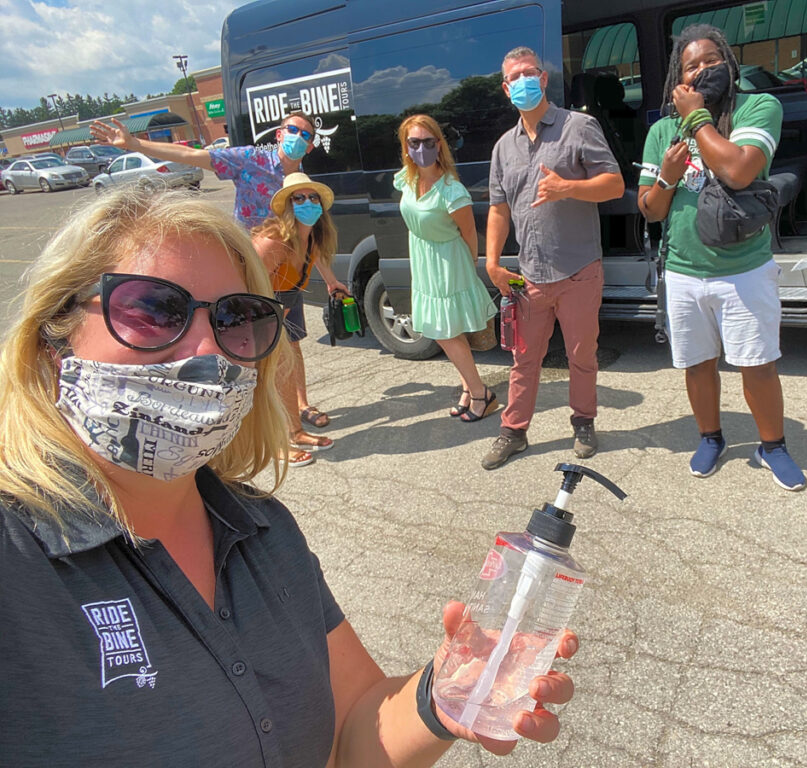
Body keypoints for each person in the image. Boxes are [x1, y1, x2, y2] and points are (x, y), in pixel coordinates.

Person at [0, 186, 577, 766]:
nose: (208, 349)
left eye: (236, 318)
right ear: (54, 338)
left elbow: (355, 725)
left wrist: (443, 696)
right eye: (154, 310)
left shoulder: (264, 531)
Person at [637, 24, 807, 491]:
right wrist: (668, 176)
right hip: (685, 271)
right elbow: (650, 209)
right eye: (692, 65)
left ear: (729, 64)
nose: (704, 69)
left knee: (757, 363)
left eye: (713, 60)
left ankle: (772, 445)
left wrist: (696, 119)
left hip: (743, 268)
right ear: (679, 77)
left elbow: (737, 170)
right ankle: (710, 437)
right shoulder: (660, 132)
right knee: (697, 364)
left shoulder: (758, 106)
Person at [482, 46, 625, 470]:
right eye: (515, 77)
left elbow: (615, 184)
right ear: (506, 89)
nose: (523, 81)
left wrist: (569, 188)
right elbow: (497, 208)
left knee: (582, 354)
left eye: (530, 73)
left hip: (579, 270)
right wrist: (492, 261)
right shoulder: (503, 148)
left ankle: (583, 422)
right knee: (524, 360)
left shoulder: (578, 127)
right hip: (531, 277)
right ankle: (514, 431)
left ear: (543, 79)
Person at [394, 114, 499, 422]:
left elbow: (468, 233)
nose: (421, 148)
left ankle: (482, 394)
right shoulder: (407, 177)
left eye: (428, 142)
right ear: (406, 146)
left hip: (448, 262)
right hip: (424, 258)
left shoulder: (452, 190)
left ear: (439, 145)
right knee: (446, 331)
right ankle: (469, 388)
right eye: (414, 142)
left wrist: (469, 266)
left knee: (446, 332)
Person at [252, 172, 346, 465]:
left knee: (288, 369)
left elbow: (315, 259)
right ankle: (278, 442)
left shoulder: (311, 237)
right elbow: (249, 283)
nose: (308, 203)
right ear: (288, 205)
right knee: (272, 375)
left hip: (288, 301)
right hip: (262, 308)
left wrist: (332, 282)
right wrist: (270, 315)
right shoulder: (274, 240)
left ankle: (294, 430)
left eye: (313, 197)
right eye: (299, 198)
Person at [90, 110, 317, 229]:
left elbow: (308, 231)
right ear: (279, 134)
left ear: (310, 147)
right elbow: (190, 155)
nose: (297, 137)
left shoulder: (304, 181)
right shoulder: (250, 160)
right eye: (292, 130)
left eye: (305, 135)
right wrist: (134, 144)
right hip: (250, 263)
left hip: (288, 270)